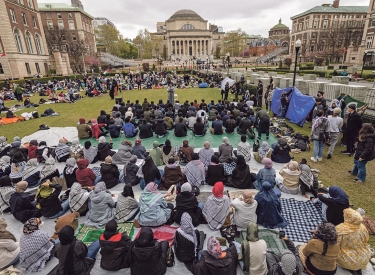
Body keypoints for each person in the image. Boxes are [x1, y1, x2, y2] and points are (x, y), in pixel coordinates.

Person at [335, 208, 371, 275]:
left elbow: (335, 244)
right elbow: (366, 241)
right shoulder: (363, 227)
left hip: (347, 260)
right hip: (364, 258)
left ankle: (351, 268)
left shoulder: (340, 228)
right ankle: (357, 268)